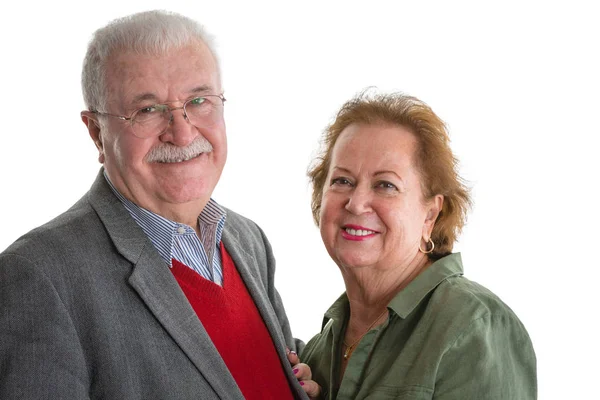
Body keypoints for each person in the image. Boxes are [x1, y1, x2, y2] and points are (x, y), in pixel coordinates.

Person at [0, 10, 312, 400]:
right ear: (97, 133)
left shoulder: (248, 240)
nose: (182, 133)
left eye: (199, 100)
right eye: (147, 110)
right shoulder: (39, 278)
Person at [300, 91, 537, 399]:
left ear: (430, 213)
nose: (356, 203)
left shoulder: (472, 328)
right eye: (342, 181)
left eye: (386, 185)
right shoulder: (317, 353)